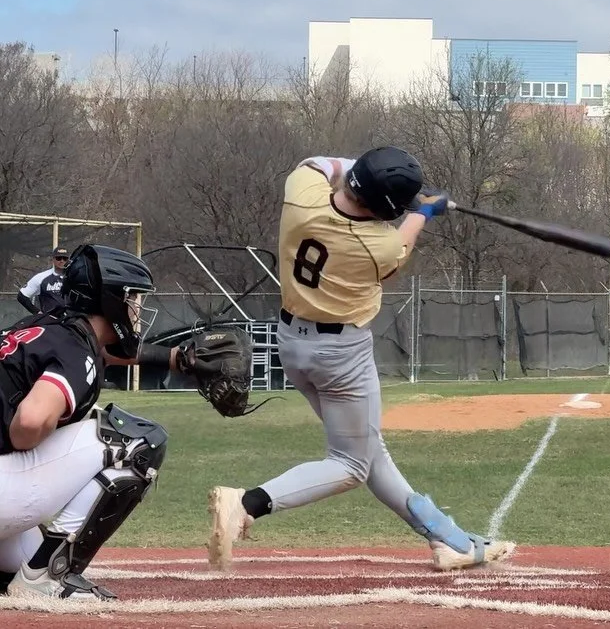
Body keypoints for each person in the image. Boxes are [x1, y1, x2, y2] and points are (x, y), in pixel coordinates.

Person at [208, 146, 515, 572]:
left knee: (369, 452)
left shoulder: (301, 191)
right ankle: (246, 503)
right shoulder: (378, 248)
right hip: (340, 356)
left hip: (292, 342)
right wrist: (424, 212)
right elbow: (402, 238)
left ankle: (448, 538)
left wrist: (373, 177)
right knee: (352, 464)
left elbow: (318, 163)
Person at [0, 242, 206, 601]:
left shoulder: (41, 326)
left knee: (19, 564)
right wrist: (43, 442)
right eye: (133, 298)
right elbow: (29, 424)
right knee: (136, 439)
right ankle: (47, 579)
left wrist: (175, 358)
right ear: (111, 299)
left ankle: (29, 574)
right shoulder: (75, 348)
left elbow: (103, 353)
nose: (138, 308)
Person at [17, 246, 69, 315]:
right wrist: (37, 312)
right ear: (53, 259)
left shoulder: (76, 277)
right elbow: (22, 296)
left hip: (71, 320)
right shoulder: (41, 277)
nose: (62, 261)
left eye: (65, 258)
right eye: (58, 258)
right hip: (49, 320)